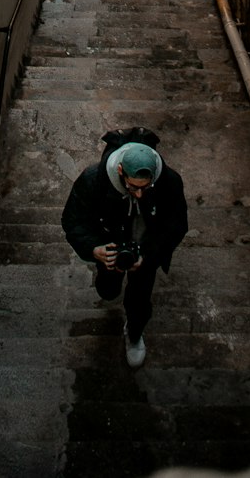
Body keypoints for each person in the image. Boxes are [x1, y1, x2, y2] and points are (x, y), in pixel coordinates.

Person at [62, 132, 188, 369]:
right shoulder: (92, 180)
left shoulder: (168, 181)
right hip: (111, 244)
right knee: (108, 291)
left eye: (145, 187)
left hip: (146, 248)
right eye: (133, 187)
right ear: (120, 171)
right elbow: (73, 221)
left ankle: (134, 332)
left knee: (140, 297)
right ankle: (108, 282)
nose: (139, 194)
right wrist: (94, 248)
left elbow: (176, 225)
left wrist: (149, 255)